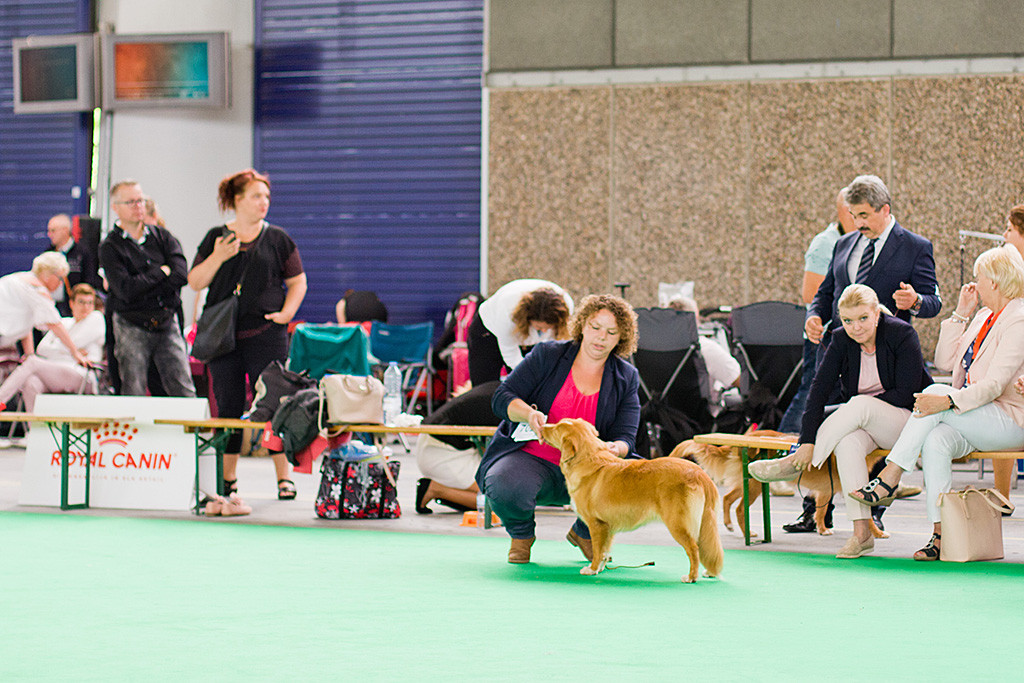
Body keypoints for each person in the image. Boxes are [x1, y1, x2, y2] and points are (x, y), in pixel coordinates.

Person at [851, 245, 1024, 560]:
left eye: (979, 278)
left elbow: (995, 384)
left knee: (935, 398)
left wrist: (946, 401)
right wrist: (961, 313)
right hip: (972, 413)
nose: (975, 284)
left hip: (1009, 419)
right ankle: (940, 534)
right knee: (935, 440)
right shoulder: (985, 316)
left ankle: (890, 474)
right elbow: (945, 361)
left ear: (996, 282)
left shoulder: (1018, 318)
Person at [748, 284, 931, 558]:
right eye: (847, 320)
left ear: (876, 313)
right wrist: (807, 438)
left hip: (908, 421)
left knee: (859, 404)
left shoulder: (901, 334)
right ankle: (862, 535)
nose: (855, 327)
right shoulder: (841, 339)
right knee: (847, 444)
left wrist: (809, 444)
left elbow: (906, 392)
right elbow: (818, 391)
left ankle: (794, 462)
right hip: (865, 422)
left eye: (862, 319)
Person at [475, 294, 641, 564]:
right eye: (595, 327)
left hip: (591, 469)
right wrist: (528, 414)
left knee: (639, 485)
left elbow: (627, 437)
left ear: (621, 337)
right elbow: (502, 397)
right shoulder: (548, 354)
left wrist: (616, 448)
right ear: (582, 325)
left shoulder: (626, 376)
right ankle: (521, 536)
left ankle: (585, 532)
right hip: (532, 458)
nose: (601, 337)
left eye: (611, 332)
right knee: (503, 482)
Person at [188, 169, 307, 500]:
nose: (264, 203)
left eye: (267, 197)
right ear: (237, 201)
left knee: (274, 404)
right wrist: (218, 256)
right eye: (256, 196)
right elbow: (195, 281)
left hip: (267, 334)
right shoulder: (216, 236)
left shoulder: (278, 238)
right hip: (223, 337)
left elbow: (298, 281)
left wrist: (286, 315)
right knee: (226, 405)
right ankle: (228, 478)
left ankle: (284, 477)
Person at [779, 188, 854, 530]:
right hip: (823, 335)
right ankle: (785, 460)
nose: (858, 219)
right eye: (853, 213)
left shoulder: (862, 243)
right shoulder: (826, 243)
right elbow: (811, 295)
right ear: (842, 212)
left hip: (850, 335)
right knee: (810, 396)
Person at [805, 175, 941, 352]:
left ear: (885, 210)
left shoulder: (915, 247)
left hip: (885, 354)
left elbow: (934, 302)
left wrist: (915, 301)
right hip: (838, 354)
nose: (859, 224)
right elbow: (825, 293)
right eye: (854, 216)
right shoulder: (843, 243)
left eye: (864, 215)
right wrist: (813, 316)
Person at [99, 180, 196, 398]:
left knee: (183, 385)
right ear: (116, 207)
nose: (138, 206)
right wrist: (161, 273)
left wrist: (144, 283)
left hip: (166, 320)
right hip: (130, 324)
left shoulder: (164, 237)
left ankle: (191, 432)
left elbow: (181, 276)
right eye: (131, 202)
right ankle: (135, 432)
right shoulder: (110, 247)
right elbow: (125, 290)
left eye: (140, 200)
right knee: (133, 387)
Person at [0, 284, 105, 412]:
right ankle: (33, 430)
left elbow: (72, 345)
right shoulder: (64, 323)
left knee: (32, 361)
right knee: (31, 382)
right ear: (72, 304)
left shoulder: (96, 318)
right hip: (55, 373)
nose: (86, 307)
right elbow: (42, 349)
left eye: (90, 303)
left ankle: (1, 399)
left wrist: (65, 348)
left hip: (82, 375)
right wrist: (73, 352)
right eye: (81, 302)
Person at [414, 380, 502, 514]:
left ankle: (440, 489)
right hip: (442, 454)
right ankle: (435, 489)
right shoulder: (504, 402)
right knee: (501, 501)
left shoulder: (497, 389)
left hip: (436, 445)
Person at [467, 278, 573, 386]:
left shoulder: (566, 306)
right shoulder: (508, 310)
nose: (544, 331)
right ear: (528, 319)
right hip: (489, 331)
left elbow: (555, 346)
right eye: (539, 327)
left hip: (526, 336)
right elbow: (511, 354)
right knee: (486, 384)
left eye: (548, 328)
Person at [0, 252, 88, 368]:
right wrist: (75, 353)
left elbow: (25, 326)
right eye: (60, 278)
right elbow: (55, 324)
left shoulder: (20, 279)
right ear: (49, 275)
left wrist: (29, 356)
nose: (61, 284)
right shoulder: (37, 289)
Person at [666, 296, 740, 411]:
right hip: (703, 420)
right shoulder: (705, 348)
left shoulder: (655, 351)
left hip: (663, 420)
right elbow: (740, 381)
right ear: (695, 319)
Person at [46, 213, 100, 317]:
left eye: (53, 230)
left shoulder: (83, 253)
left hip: (74, 310)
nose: (49, 234)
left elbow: (89, 280)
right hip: (52, 308)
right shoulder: (48, 254)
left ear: (65, 230)